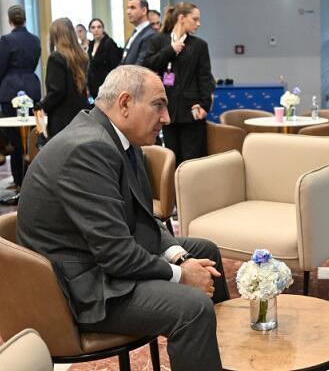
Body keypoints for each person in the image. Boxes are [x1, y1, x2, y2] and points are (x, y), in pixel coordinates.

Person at [17, 65, 229, 371]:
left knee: (205, 251)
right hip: (81, 288)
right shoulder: (88, 148)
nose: (167, 118)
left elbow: (145, 218)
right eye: (159, 105)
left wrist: (180, 257)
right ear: (125, 103)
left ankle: (216, 356)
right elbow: (116, 255)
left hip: (99, 258)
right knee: (193, 308)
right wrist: (182, 275)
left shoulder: (118, 139)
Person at [144, 2, 214, 165]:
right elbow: (147, 65)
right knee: (171, 157)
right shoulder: (158, 41)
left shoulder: (199, 45)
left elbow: (205, 77)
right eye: (194, 19)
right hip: (166, 108)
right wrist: (171, 50)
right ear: (181, 18)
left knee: (192, 159)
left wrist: (204, 105)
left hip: (191, 109)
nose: (198, 23)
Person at [0, 5, 41, 189]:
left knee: (14, 137)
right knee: (31, 136)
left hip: (10, 89)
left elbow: (1, 66)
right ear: (25, 19)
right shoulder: (35, 40)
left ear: (10, 20)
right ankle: (31, 179)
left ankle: (18, 180)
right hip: (32, 87)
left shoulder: (6, 40)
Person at [38, 17, 89, 139]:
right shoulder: (82, 57)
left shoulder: (56, 58)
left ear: (55, 35)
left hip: (62, 118)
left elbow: (57, 91)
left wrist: (42, 105)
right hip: (81, 115)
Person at [87, 18, 122, 99]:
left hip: (106, 84)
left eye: (99, 27)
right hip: (93, 85)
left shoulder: (109, 43)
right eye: (93, 27)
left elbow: (115, 66)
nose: (96, 30)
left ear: (103, 29)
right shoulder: (91, 44)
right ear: (90, 30)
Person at [121, 0, 157, 65]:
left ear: (144, 11)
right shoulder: (135, 33)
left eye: (132, 8)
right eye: (128, 8)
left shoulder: (150, 35)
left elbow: (141, 64)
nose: (128, 12)